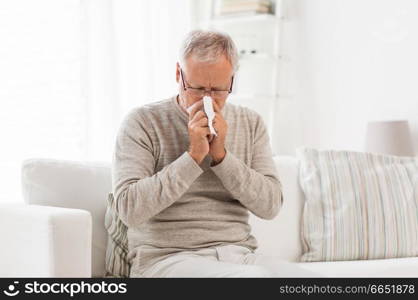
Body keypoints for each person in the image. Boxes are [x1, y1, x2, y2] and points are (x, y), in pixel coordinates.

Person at [112, 29, 319, 277]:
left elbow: (271, 205)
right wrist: (192, 157)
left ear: (232, 79)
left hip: (239, 256)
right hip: (167, 259)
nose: (207, 99)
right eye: (197, 88)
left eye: (219, 89)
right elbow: (128, 211)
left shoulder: (250, 123)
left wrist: (222, 157)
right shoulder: (143, 122)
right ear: (178, 74)